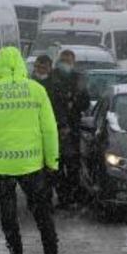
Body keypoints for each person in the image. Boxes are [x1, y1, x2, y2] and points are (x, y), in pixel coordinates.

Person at [0, 46, 61, 254]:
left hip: (1, 163)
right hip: (31, 163)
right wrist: (52, 161)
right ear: (22, 64)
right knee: (41, 211)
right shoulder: (37, 90)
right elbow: (49, 129)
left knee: (8, 211)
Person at [49, 49, 90, 209]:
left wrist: (75, 101)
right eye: (63, 61)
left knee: (73, 166)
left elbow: (85, 103)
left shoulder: (78, 79)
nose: (65, 64)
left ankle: (71, 197)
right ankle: (63, 196)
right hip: (55, 128)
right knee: (56, 167)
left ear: (73, 62)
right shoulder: (53, 77)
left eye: (68, 61)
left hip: (73, 129)